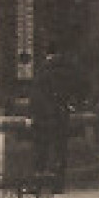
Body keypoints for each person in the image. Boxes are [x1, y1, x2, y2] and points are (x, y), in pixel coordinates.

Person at [31, 45, 74, 186]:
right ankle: (58, 182)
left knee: (42, 148)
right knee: (59, 149)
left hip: (44, 116)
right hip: (61, 114)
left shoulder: (43, 70)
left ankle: (41, 182)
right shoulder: (67, 70)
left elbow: (37, 94)